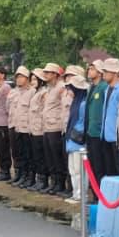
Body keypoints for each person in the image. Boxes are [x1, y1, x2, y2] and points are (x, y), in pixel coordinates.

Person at [43, 66, 73, 196]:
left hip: (55, 126)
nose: (45, 74)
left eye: (48, 72)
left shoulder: (61, 87)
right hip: (47, 126)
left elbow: (64, 107)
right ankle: (54, 182)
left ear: (55, 74)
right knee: (50, 157)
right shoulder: (49, 88)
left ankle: (60, 183)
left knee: (57, 157)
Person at [63, 69, 91, 204]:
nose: (70, 90)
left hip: (79, 140)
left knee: (80, 170)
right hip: (71, 140)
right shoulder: (75, 102)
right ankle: (75, 193)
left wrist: (77, 134)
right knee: (72, 169)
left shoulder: (84, 103)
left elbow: (84, 122)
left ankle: (81, 194)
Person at [84, 61, 110, 184]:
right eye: (89, 68)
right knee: (92, 163)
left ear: (99, 72)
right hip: (90, 130)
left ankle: (99, 190)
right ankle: (95, 189)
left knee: (99, 164)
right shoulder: (91, 87)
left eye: (92, 69)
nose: (89, 71)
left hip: (98, 132)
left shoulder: (104, 87)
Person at [9, 67, 34, 187]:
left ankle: (27, 176)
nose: (18, 79)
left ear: (27, 78)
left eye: (21, 77)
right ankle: (19, 174)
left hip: (26, 128)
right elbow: (8, 107)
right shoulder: (13, 92)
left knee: (27, 153)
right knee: (16, 152)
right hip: (14, 125)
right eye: (17, 77)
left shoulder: (32, 92)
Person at [102, 59, 119, 177]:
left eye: (106, 71)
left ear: (115, 73)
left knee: (118, 168)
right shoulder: (107, 89)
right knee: (109, 168)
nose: (104, 74)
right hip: (106, 134)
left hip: (117, 136)